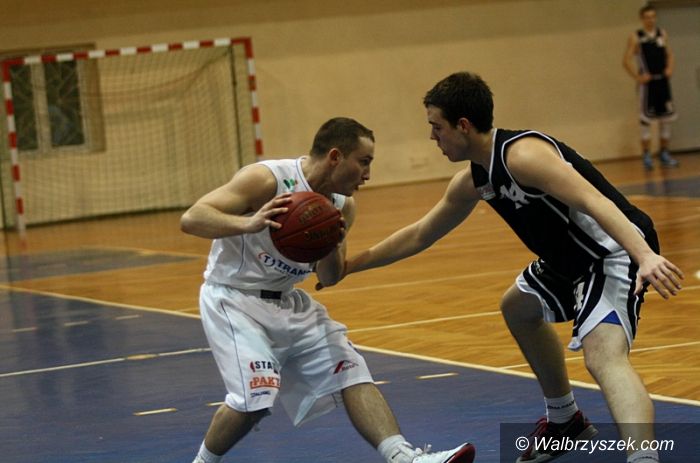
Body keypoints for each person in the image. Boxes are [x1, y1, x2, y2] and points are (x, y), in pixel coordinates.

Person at [329, 74, 683, 463]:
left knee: (603, 356)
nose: (433, 137)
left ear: (463, 125)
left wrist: (644, 255)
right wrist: (349, 266)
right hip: (567, 261)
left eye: (437, 127)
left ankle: (643, 457)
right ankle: (564, 420)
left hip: (611, 251)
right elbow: (419, 234)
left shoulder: (523, 156)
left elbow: (594, 200)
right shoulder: (474, 179)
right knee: (517, 307)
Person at [180, 117, 475, 463]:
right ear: (336, 156)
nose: (368, 174)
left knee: (351, 369)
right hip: (234, 298)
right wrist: (248, 222)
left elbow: (329, 277)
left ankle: (404, 458)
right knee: (253, 402)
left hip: (289, 300)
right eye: (364, 162)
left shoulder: (341, 205)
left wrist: (334, 242)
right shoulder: (267, 179)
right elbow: (192, 218)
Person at [623, 4, 679, 170]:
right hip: (647, 85)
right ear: (642, 19)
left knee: (666, 118)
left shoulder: (662, 34)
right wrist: (638, 77)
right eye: (647, 17)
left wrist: (670, 68)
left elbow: (670, 54)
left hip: (662, 81)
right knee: (646, 120)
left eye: (653, 16)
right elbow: (626, 60)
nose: (651, 20)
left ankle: (664, 154)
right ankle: (647, 156)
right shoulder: (636, 37)